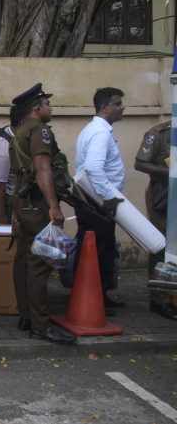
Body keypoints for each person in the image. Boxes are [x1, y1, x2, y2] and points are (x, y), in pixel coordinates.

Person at [10, 83, 76, 344]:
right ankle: (41, 324)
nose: (50, 107)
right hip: (37, 205)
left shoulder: (18, 131)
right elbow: (42, 169)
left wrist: (17, 212)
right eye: (47, 104)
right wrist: (53, 205)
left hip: (23, 204)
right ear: (37, 108)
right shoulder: (40, 131)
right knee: (39, 265)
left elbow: (18, 173)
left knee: (23, 261)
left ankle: (25, 316)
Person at [74, 87, 126, 309]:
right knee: (99, 251)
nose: (122, 107)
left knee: (93, 249)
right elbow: (93, 168)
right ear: (105, 107)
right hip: (97, 201)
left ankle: (95, 296)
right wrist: (108, 197)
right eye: (117, 103)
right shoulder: (100, 132)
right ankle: (95, 299)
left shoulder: (96, 129)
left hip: (92, 199)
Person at [134, 120, 177, 321]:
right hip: (164, 198)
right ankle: (159, 300)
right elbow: (140, 163)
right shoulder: (160, 133)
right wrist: (171, 174)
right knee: (161, 248)